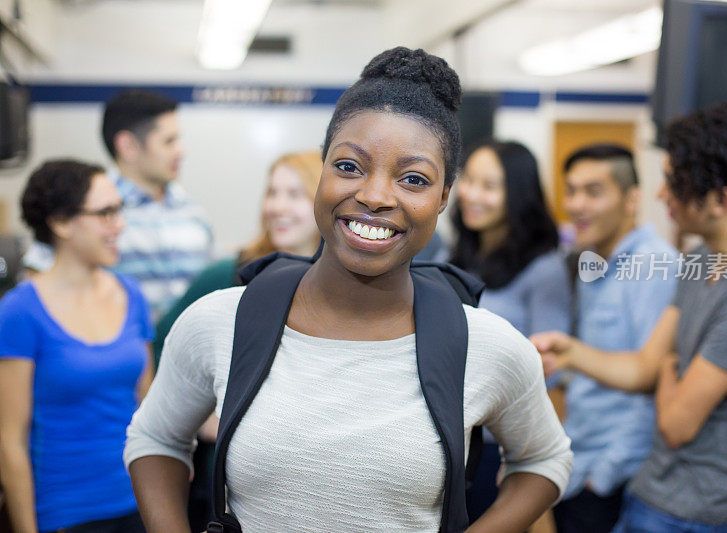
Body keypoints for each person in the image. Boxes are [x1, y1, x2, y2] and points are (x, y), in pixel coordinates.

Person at [124, 47, 572, 533]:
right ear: (321, 170)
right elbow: (156, 438)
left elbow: (544, 459)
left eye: (414, 179)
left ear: (444, 198)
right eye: (349, 167)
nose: (376, 196)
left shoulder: (486, 345)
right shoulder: (221, 321)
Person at [533, 102, 727, 532]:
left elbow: (676, 423)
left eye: (674, 184)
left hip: (703, 514)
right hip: (656, 495)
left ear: (720, 200)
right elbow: (643, 368)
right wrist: (572, 354)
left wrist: (670, 364)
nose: (661, 195)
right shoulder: (701, 259)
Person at [151, 150, 322, 532]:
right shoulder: (228, 274)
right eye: (272, 192)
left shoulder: (343, 286)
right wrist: (200, 419)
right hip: (225, 487)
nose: (277, 206)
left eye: (295, 194)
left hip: (307, 485)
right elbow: (161, 345)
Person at [0, 160, 154, 533]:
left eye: (119, 211)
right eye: (105, 213)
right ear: (61, 222)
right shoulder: (20, 310)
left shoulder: (131, 294)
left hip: (140, 502)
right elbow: (10, 443)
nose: (119, 225)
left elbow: (150, 412)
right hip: (66, 513)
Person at [551, 144, 677, 533]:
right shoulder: (594, 262)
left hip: (611, 478)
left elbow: (654, 380)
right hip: (580, 463)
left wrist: (604, 477)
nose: (576, 204)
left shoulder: (655, 266)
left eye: (593, 191)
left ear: (632, 198)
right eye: (571, 191)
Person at [449, 140, 571, 521]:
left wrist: (529, 461)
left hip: (496, 448)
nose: (471, 193)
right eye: (468, 180)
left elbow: (553, 373)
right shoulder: (453, 257)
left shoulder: (544, 269)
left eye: (490, 185)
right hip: (451, 440)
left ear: (517, 195)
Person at [22, 89, 213, 321]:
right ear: (128, 146)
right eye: (169, 141)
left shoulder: (193, 213)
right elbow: (37, 286)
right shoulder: (84, 209)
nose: (181, 151)